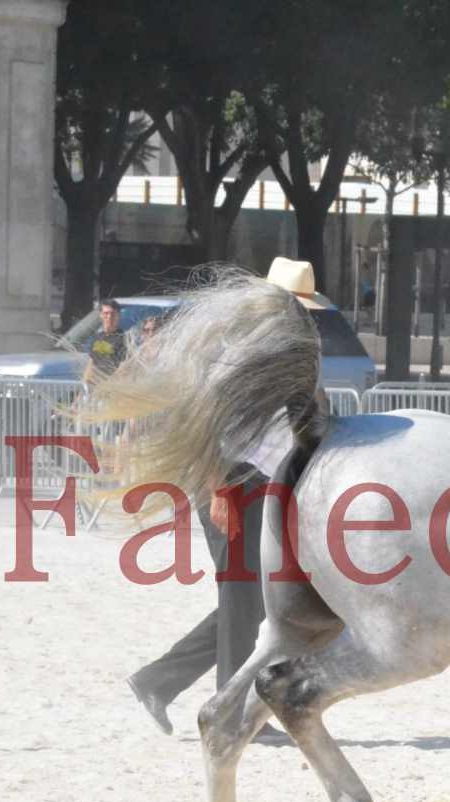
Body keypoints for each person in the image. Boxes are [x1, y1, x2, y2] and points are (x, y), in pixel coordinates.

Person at [126, 258, 324, 738]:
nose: (302, 316)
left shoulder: (270, 346)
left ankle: (159, 682)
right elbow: (212, 420)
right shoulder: (242, 350)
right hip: (231, 478)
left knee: (249, 598)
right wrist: (219, 489)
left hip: (255, 479)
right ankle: (224, 707)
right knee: (244, 596)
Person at [82, 299, 127, 383]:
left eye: (113, 314)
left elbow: (123, 367)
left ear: (118, 315)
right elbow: (91, 363)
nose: (109, 317)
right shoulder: (97, 337)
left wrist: (105, 386)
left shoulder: (123, 339)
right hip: (94, 388)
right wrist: (83, 389)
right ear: (101, 315)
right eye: (106, 313)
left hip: (110, 388)